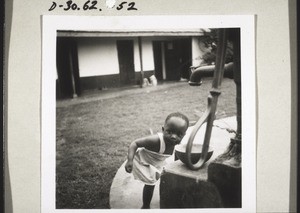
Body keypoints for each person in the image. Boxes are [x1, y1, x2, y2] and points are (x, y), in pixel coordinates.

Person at [125, 112, 189, 209]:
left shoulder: (176, 143)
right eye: (170, 132)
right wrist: (129, 160)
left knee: (164, 176)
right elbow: (135, 143)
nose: (174, 137)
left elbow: (177, 157)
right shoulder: (155, 140)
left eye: (179, 134)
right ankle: (145, 206)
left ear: (184, 135)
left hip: (155, 162)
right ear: (163, 130)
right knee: (151, 182)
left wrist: (177, 169)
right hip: (141, 161)